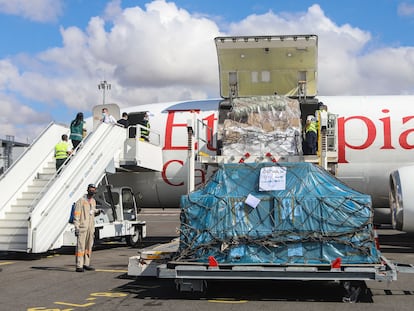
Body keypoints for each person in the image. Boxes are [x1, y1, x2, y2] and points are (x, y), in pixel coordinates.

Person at [73, 184, 102, 272]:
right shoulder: (81, 201)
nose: (92, 192)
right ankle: (79, 265)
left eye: (93, 190)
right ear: (87, 190)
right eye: (91, 190)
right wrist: (76, 227)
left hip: (90, 227)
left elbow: (92, 211)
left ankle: (86, 263)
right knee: (81, 246)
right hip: (82, 227)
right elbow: (77, 215)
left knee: (89, 246)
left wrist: (98, 211)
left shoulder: (93, 201)